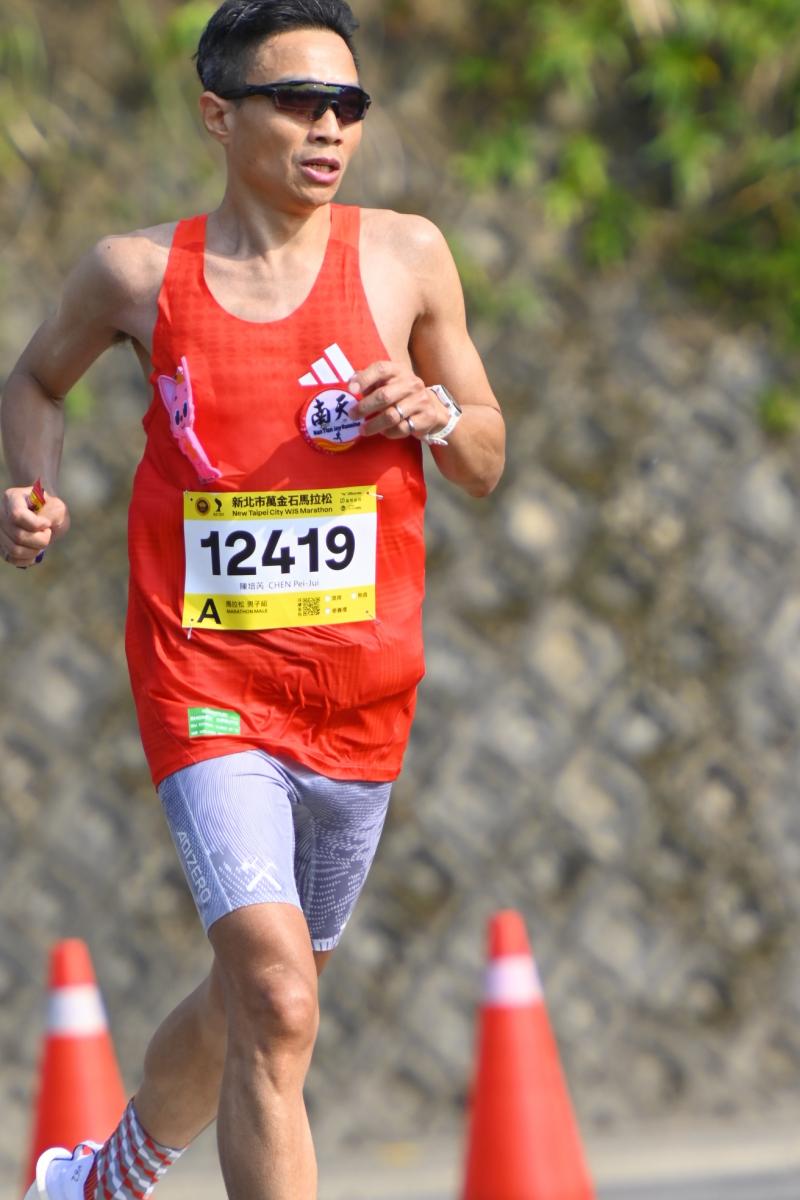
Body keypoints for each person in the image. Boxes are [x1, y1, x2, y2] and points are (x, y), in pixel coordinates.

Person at [3, 1, 505, 1197]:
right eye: (297, 102)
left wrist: (434, 413)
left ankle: (104, 1177)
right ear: (218, 115)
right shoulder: (136, 273)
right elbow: (35, 379)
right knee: (277, 995)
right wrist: (29, 489)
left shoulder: (405, 256)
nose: (329, 129)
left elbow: (486, 458)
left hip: (360, 698)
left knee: (260, 997)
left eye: (348, 106)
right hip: (205, 682)